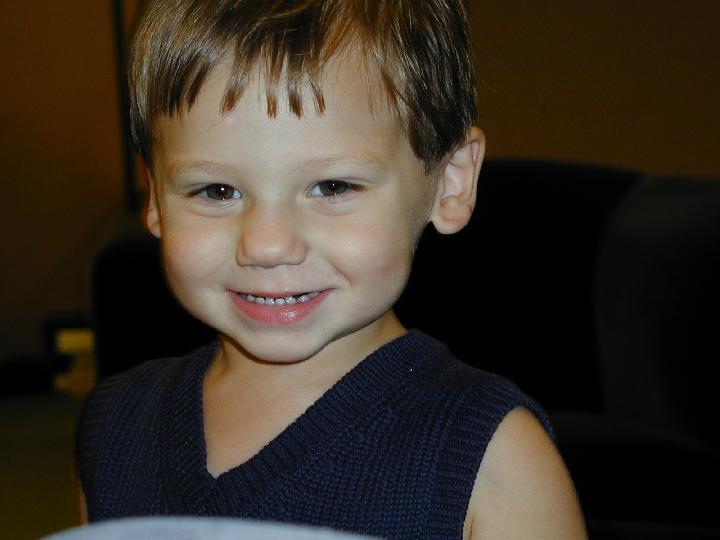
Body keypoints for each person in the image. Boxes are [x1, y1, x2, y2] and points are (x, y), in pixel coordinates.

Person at [76, 1, 586, 538]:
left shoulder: (491, 455)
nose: (267, 246)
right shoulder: (113, 427)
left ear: (449, 182)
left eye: (332, 186)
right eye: (217, 190)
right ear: (155, 196)